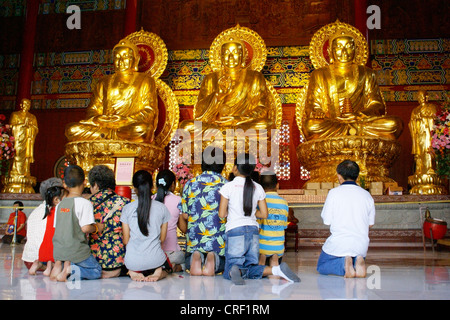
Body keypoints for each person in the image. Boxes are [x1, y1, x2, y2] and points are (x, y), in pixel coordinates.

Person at [302, 31, 403, 140]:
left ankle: (351, 131)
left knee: (395, 124)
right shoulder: (319, 74)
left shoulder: (367, 73)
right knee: (310, 126)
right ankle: (352, 132)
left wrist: (359, 115)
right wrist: (318, 112)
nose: (344, 51)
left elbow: (377, 104)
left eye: (349, 46)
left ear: (356, 49)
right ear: (330, 51)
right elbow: (312, 104)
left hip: (360, 122)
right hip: (332, 123)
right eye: (339, 47)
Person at [218, 153, 300, 285]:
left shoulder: (228, 187)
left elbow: (222, 214)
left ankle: (235, 270)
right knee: (251, 266)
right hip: (253, 231)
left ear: (234, 168)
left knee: (231, 266)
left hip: (235, 230)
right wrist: (251, 211)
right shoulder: (258, 187)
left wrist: (235, 210)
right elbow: (264, 214)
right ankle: (276, 270)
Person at [65, 39, 158, 143]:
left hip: (127, 126)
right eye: (117, 57)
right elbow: (93, 109)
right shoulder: (104, 82)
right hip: (104, 126)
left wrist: (124, 120)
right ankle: (111, 135)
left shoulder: (145, 80)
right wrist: (98, 119)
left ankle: (107, 136)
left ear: (136, 59)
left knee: (144, 130)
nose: (121, 61)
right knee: (71, 130)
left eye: (126, 57)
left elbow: (149, 112)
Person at [316, 160, 375, 278]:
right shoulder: (367, 195)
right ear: (357, 176)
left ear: (339, 176)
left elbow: (326, 220)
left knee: (322, 265)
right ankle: (357, 261)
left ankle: (344, 265)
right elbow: (370, 224)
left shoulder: (334, 193)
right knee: (355, 253)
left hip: (339, 243)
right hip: (360, 246)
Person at [178, 147, 228, 276]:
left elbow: (184, 215)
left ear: (202, 163)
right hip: (219, 243)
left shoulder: (190, 184)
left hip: (195, 240)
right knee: (223, 262)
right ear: (223, 164)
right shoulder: (227, 185)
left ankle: (196, 255)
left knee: (190, 256)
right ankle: (213, 257)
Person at [50, 165, 102, 282]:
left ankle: (61, 266)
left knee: (69, 256)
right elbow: (85, 228)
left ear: (65, 184)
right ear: (84, 182)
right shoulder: (84, 203)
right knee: (96, 270)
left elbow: (57, 227)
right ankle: (70, 270)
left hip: (59, 250)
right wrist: (97, 227)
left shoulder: (59, 205)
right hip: (76, 250)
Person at [120, 170, 172, 282]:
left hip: (132, 261)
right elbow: (162, 239)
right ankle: (159, 271)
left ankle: (133, 271)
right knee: (166, 264)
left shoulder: (127, 209)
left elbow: (126, 240)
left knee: (132, 261)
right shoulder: (162, 208)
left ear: (134, 188)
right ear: (152, 186)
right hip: (155, 260)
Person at [88, 165, 130, 278]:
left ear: (95, 185)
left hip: (91, 262)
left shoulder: (87, 204)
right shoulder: (126, 203)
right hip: (118, 262)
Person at [22, 177, 63, 269]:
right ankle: (48, 266)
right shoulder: (57, 210)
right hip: (44, 259)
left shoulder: (36, 210)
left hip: (28, 259)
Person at [29, 186, 67, 276]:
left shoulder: (49, 210)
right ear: (57, 200)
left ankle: (39, 265)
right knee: (54, 254)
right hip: (55, 240)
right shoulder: (61, 209)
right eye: (66, 197)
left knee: (48, 253)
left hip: (46, 241)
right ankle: (49, 268)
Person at [153, 169, 184, 272]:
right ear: (173, 185)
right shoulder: (178, 200)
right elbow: (183, 229)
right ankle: (174, 266)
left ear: (156, 184)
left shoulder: (150, 200)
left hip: (152, 253)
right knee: (187, 260)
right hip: (172, 254)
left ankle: (162, 266)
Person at [257, 171, 289, 267]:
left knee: (261, 259)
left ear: (261, 187)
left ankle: (261, 265)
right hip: (279, 245)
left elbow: (257, 227)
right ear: (277, 185)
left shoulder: (260, 202)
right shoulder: (284, 203)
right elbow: (283, 226)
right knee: (275, 258)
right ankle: (275, 264)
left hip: (262, 245)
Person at [409, 90, 438, 176]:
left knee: (428, 149)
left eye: (422, 96)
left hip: (427, 132)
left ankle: (430, 168)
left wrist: (423, 119)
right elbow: (411, 123)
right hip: (418, 133)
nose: (420, 98)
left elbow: (434, 120)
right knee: (419, 152)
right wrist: (415, 122)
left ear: (426, 97)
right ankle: (419, 170)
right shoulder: (415, 110)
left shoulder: (431, 107)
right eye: (419, 97)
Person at [9, 98, 38, 176]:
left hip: (28, 140)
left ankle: (26, 172)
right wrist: (22, 125)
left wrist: (30, 127)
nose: (26, 106)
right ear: (21, 105)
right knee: (17, 154)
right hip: (18, 139)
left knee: (26, 156)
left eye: (28, 104)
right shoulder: (15, 115)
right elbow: (11, 127)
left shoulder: (32, 117)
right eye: (25, 104)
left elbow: (36, 129)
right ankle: (15, 172)